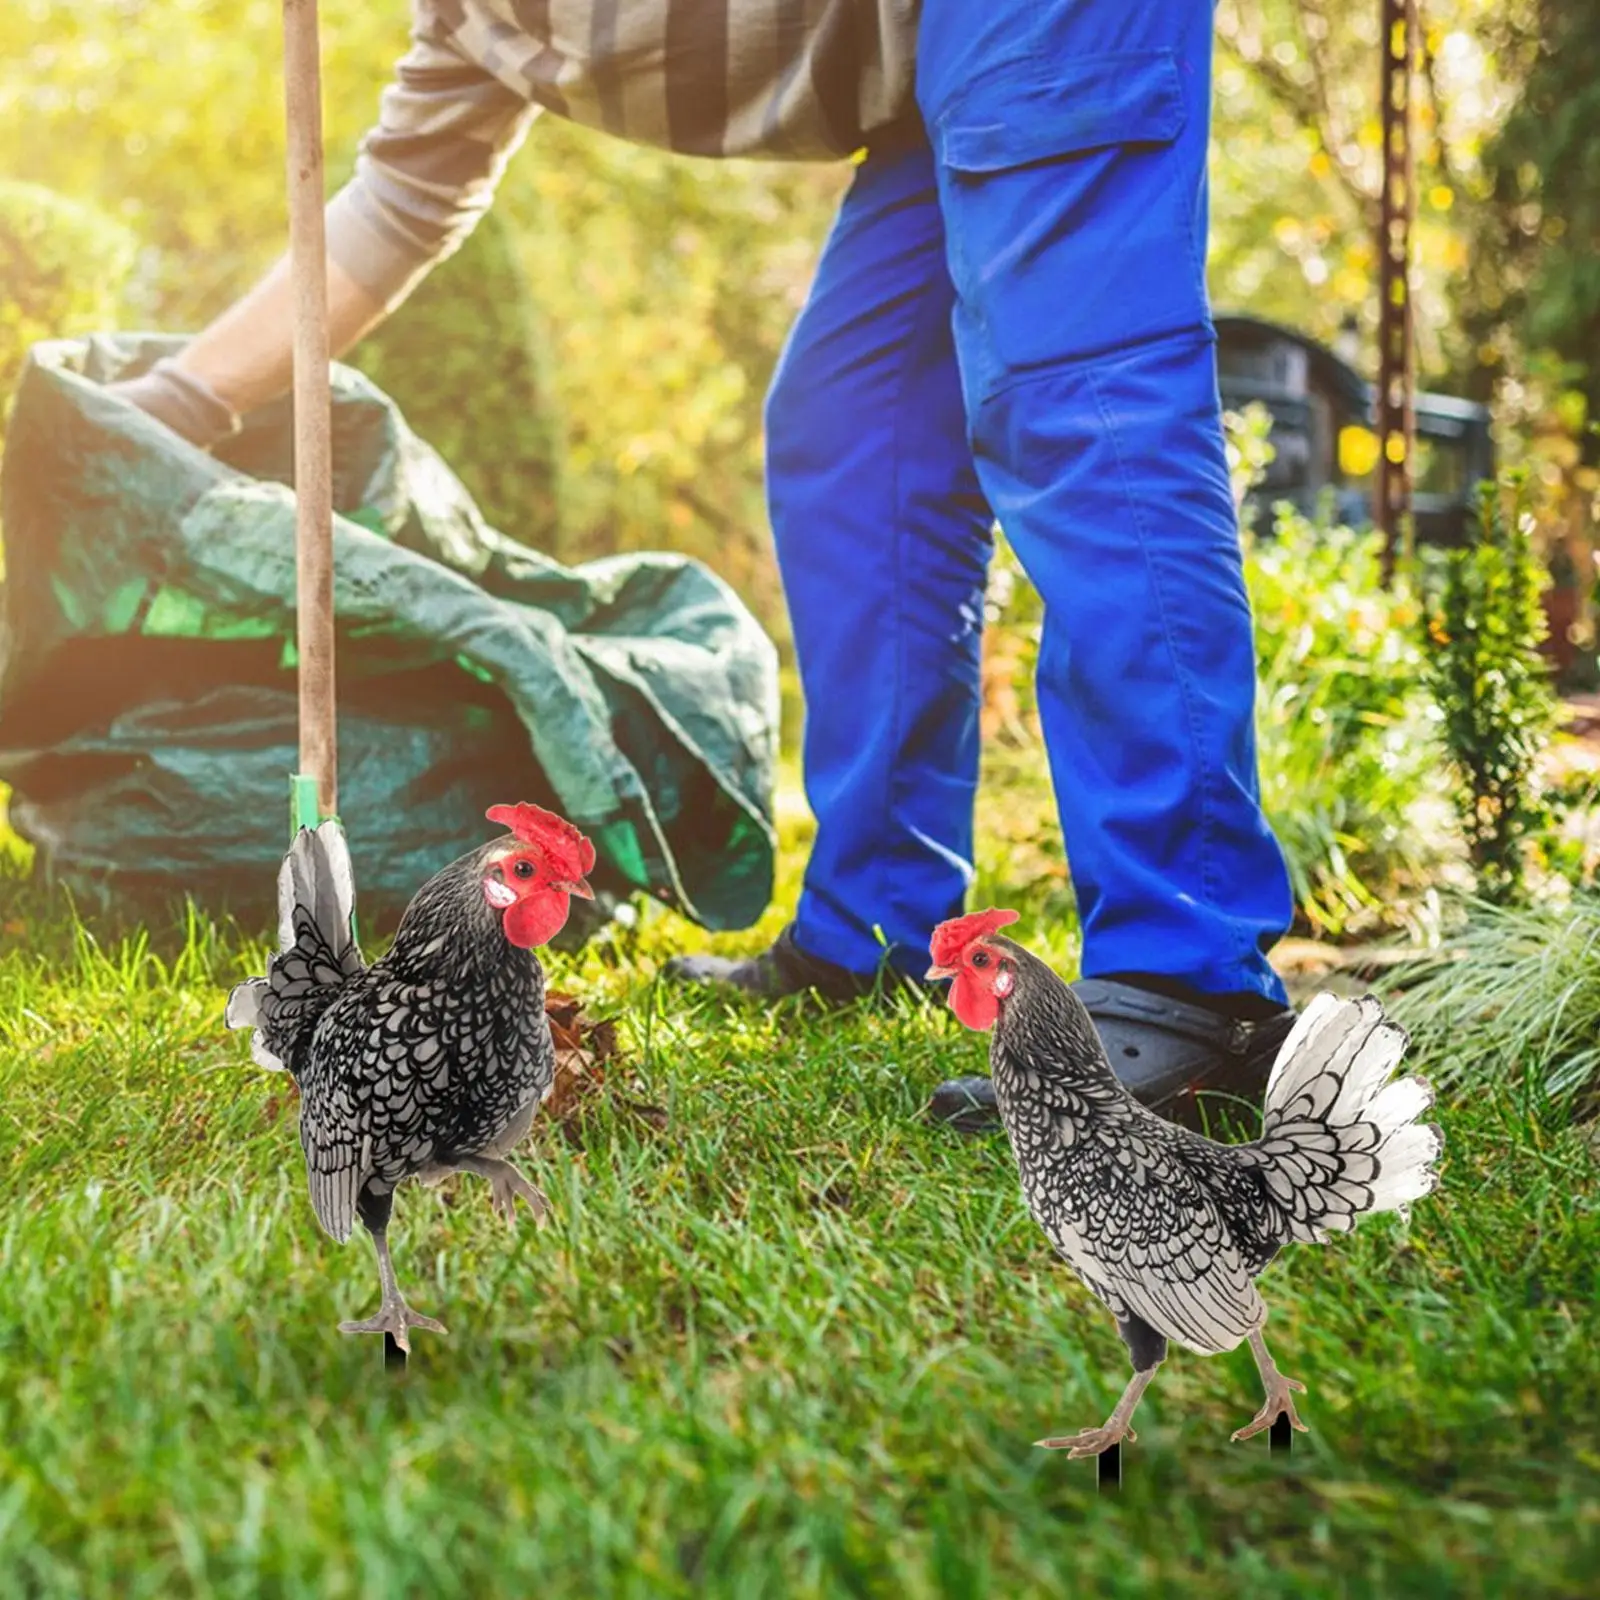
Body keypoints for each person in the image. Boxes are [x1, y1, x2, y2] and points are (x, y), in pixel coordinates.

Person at [113, 0, 1298, 1133]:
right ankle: (874, 920)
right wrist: (160, 410)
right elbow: (393, 206)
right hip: (926, 75)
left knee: (1072, 392)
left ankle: (1187, 977)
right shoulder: (471, 21)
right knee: (855, 436)